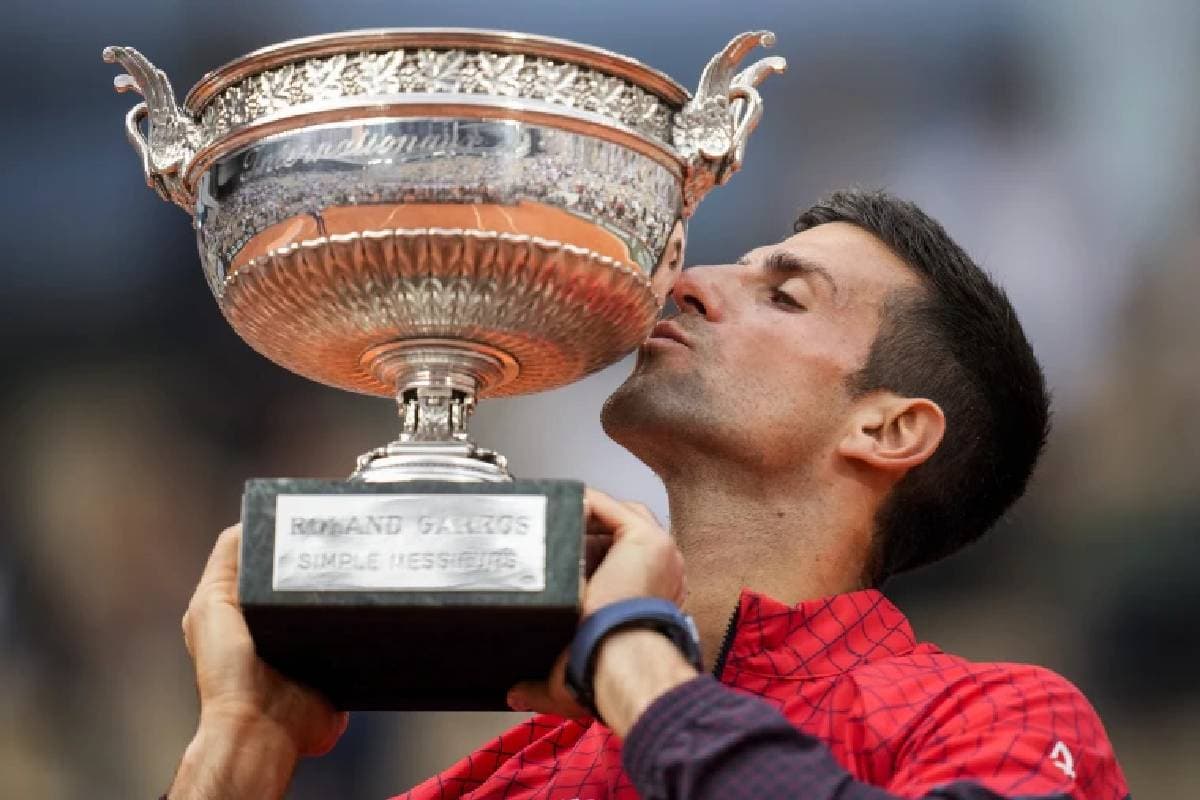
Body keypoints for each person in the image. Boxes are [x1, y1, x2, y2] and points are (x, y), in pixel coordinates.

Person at [168, 190, 1130, 799]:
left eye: (784, 295)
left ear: (887, 428)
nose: (693, 282)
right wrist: (241, 749)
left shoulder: (997, 720)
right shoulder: (515, 775)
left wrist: (632, 660)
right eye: (732, 267)